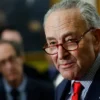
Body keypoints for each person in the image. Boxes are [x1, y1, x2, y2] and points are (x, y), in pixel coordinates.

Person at [43, 0, 100, 100]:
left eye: (70, 40)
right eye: (52, 43)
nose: (61, 55)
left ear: (96, 39)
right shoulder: (60, 88)